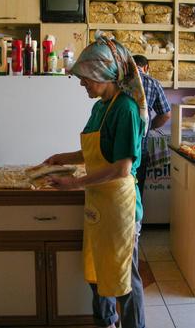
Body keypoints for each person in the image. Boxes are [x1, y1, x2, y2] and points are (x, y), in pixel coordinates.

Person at [45, 35, 148, 328]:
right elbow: (96, 151)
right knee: (98, 268)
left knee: (125, 277)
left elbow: (122, 168)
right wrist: (61, 157)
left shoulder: (125, 109)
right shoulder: (101, 106)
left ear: (105, 74)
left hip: (120, 207)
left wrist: (74, 184)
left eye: (86, 78)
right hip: (99, 202)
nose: (82, 84)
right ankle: (105, 322)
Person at [132, 55, 171, 199]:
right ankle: (136, 220)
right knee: (136, 191)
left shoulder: (119, 81)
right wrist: (149, 127)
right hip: (139, 147)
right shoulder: (153, 83)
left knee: (118, 190)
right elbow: (166, 114)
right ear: (146, 67)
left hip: (116, 146)